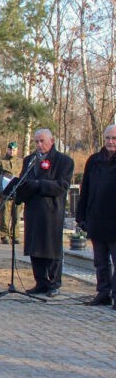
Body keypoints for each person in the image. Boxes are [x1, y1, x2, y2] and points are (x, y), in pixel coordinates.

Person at [15, 128, 74, 298]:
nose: (39, 145)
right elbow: (24, 181)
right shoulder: (29, 160)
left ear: (52, 141)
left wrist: (39, 184)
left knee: (51, 248)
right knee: (35, 247)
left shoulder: (63, 161)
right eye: (36, 142)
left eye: (42, 141)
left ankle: (54, 283)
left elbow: (62, 185)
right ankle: (40, 282)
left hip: (51, 211)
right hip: (33, 210)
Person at [75, 124, 116, 307]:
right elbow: (86, 190)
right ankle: (103, 292)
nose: (110, 142)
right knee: (100, 262)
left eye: (114, 138)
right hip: (97, 218)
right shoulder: (94, 161)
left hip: (114, 220)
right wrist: (81, 215)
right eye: (107, 138)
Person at [0, 142, 22, 244]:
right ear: (7, 150)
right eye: (10, 150)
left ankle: (15, 236)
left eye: (14, 150)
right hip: (5, 194)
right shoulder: (1, 162)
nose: (12, 152)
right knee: (5, 216)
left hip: (18, 193)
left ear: (17, 150)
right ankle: (4, 236)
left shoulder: (21, 162)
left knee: (16, 216)